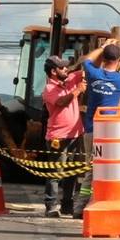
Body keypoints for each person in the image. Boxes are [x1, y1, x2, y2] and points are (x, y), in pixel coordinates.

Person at [41, 54, 84, 217]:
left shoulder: (70, 80)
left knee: (71, 172)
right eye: (62, 67)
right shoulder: (49, 89)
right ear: (53, 72)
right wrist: (78, 90)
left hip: (74, 134)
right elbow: (61, 102)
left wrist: (101, 48)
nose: (66, 68)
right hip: (57, 137)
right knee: (55, 173)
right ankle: (51, 205)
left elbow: (87, 65)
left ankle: (67, 204)